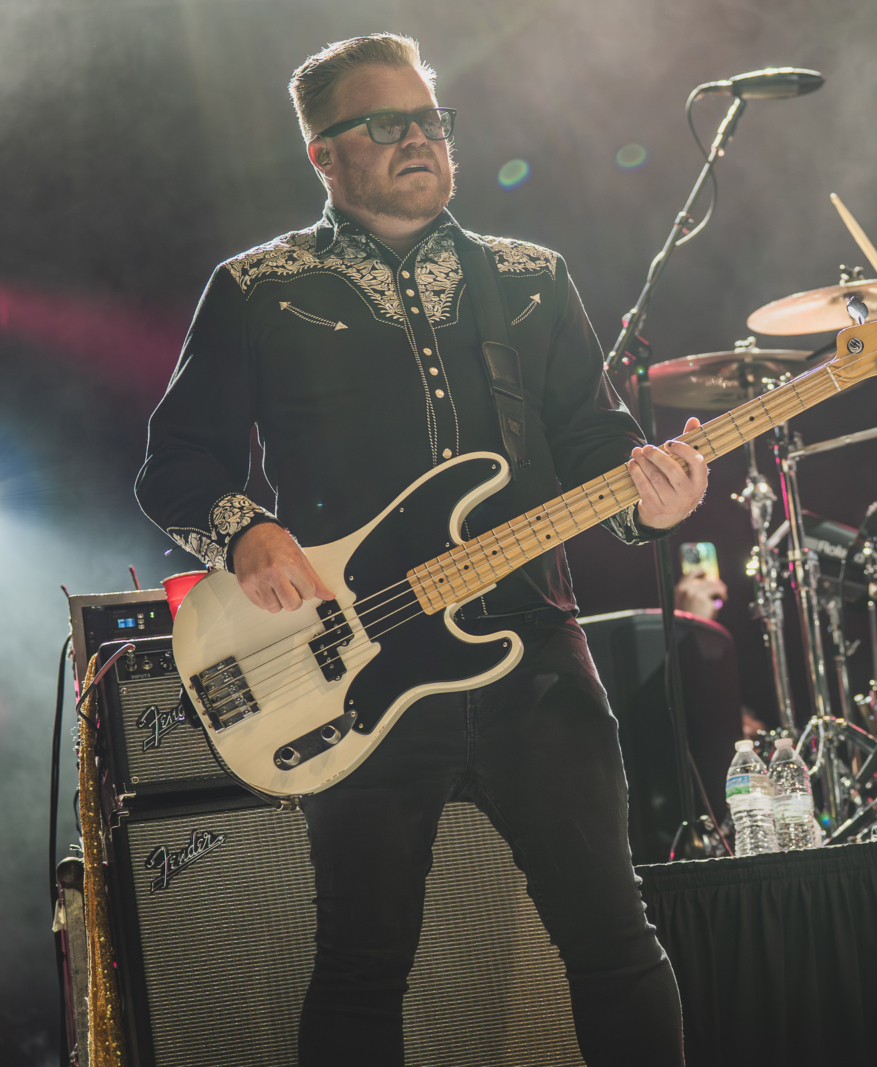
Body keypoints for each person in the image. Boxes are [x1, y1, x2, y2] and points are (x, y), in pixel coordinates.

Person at [135, 33, 697, 1066]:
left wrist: (647, 504)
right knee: (362, 961)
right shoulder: (261, 287)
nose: (418, 140)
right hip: (354, 664)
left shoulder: (529, 277)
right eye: (384, 124)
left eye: (430, 120)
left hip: (532, 651)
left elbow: (596, 446)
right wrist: (249, 530)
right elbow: (173, 467)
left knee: (617, 942)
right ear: (324, 154)